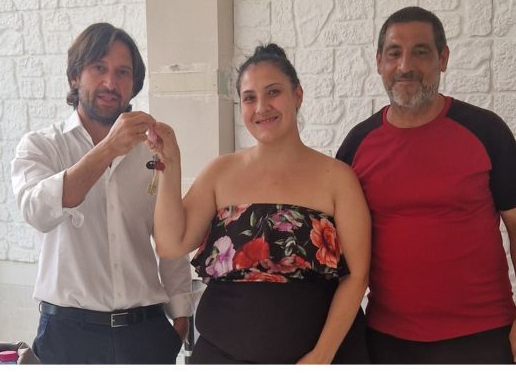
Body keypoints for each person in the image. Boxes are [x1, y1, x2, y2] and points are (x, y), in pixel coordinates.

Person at [336, 6, 516, 364]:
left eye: (421, 52)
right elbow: (337, 242)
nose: (405, 66)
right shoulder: (357, 145)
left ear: (442, 58)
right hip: (387, 339)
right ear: (379, 62)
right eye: (394, 53)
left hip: (483, 335)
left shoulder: (486, 131)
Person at [149, 44, 371, 364]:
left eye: (273, 92)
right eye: (250, 98)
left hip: (317, 361)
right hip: (222, 358)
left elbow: (357, 276)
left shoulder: (337, 178)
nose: (262, 107)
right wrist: (170, 164)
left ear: (298, 95)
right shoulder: (220, 172)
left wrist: (321, 356)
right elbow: (171, 244)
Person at [11, 23, 199, 364]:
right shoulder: (41, 146)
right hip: (67, 336)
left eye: (122, 72)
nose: (111, 83)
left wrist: (181, 315)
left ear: (134, 83)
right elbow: (37, 213)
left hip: (146, 333)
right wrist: (109, 149)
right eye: (99, 68)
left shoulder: (153, 151)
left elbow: (169, 240)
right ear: (75, 76)